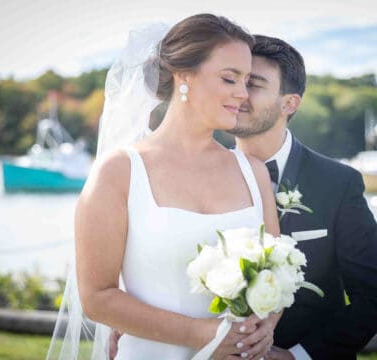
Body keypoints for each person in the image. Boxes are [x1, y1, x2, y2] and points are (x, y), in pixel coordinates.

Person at [47, 14, 282, 360]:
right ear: (183, 75)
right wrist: (204, 335)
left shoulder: (254, 173)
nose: (243, 94)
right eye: (230, 78)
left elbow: (275, 274)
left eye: (247, 81)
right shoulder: (119, 172)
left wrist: (266, 325)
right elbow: (97, 296)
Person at [229, 35, 377, 359]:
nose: (238, 94)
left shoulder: (339, 183)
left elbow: (374, 298)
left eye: (254, 84)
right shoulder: (200, 174)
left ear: (289, 103)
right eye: (233, 80)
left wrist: (297, 356)